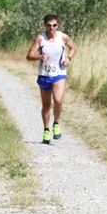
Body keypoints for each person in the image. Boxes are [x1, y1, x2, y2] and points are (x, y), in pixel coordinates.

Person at [26, 14, 76, 144]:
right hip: (44, 75)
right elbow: (29, 56)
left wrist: (68, 58)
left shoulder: (63, 37)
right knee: (46, 105)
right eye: (49, 25)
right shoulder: (40, 38)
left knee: (58, 101)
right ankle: (46, 130)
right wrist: (40, 57)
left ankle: (56, 123)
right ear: (45, 25)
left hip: (59, 74)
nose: (52, 28)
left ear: (58, 25)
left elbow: (73, 48)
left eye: (54, 25)